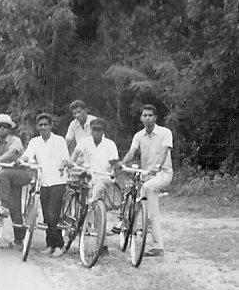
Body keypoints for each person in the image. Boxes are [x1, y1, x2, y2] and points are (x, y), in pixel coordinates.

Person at [120, 104, 173, 257]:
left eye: (150, 115)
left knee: (148, 191)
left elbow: (164, 152)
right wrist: (122, 165)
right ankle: (157, 246)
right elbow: (132, 151)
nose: (147, 118)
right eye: (145, 115)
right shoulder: (138, 135)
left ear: (155, 118)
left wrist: (157, 166)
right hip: (146, 175)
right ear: (141, 118)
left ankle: (145, 218)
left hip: (163, 174)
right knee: (151, 209)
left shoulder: (165, 132)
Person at [20, 113, 69, 257]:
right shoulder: (35, 142)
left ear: (51, 126)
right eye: (40, 125)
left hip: (58, 181)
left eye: (45, 125)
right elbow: (28, 155)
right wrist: (22, 159)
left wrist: (63, 164)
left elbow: (66, 157)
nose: (43, 127)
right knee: (47, 216)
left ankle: (59, 245)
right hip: (43, 181)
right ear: (37, 127)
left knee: (53, 214)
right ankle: (50, 244)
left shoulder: (59, 140)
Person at [0, 114, 30, 247]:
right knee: (15, 205)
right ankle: (18, 238)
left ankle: (3, 205)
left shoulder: (15, 140)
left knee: (4, 175)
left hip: (20, 174)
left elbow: (13, 152)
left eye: (5, 127)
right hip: (4, 178)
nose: (2, 129)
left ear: (9, 129)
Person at [69, 118, 119, 201]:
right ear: (90, 130)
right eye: (93, 129)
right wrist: (71, 162)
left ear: (103, 131)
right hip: (88, 174)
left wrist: (114, 169)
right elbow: (76, 152)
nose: (96, 132)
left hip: (103, 176)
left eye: (99, 130)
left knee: (96, 191)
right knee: (77, 187)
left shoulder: (110, 144)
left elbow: (114, 163)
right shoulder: (84, 141)